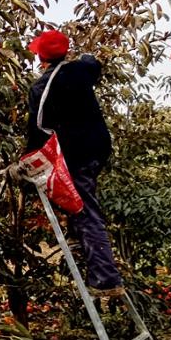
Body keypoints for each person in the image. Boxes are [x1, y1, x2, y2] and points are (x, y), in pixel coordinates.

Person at [23, 29, 125, 297]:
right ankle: (76, 235)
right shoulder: (81, 70)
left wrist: (25, 160)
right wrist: (83, 57)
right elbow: (93, 63)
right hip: (98, 148)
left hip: (76, 154)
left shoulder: (42, 87)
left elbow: (39, 129)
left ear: (41, 59)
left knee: (84, 210)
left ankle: (106, 279)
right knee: (77, 200)